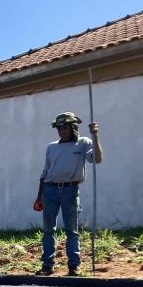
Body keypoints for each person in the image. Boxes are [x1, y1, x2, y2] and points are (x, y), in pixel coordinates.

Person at [35, 112, 102, 276]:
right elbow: (44, 173)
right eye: (59, 128)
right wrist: (39, 196)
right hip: (49, 190)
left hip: (70, 191)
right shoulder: (52, 147)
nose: (61, 131)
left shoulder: (83, 143)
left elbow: (97, 159)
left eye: (64, 127)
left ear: (73, 128)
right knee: (49, 230)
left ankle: (74, 266)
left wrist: (95, 136)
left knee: (72, 230)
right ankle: (47, 265)